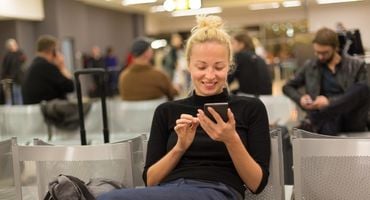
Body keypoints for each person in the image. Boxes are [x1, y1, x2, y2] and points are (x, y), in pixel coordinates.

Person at [98, 15, 270, 200]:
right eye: (201, 66)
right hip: (168, 190)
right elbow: (151, 180)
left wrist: (231, 139)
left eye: (218, 67)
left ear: (229, 66)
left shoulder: (250, 108)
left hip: (219, 191)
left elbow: (256, 184)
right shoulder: (166, 111)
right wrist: (180, 146)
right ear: (188, 65)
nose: (210, 75)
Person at [283, 27, 369, 135]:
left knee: (362, 88)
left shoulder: (356, 65)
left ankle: (316, 118)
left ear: (336, 48)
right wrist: (300, 98)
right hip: (327, 120)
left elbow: (359, 95)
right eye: (317, 52)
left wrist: (329, 102)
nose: (320, 56)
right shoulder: (310, 66)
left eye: (325, 53)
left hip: (350, 116)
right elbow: (287, 87)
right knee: (328, 120)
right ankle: (319, 117)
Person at [22, 35, 74, 105]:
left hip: (38, 110)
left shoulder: (34, 66)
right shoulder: (46, 66)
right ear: (53, 51)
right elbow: (70, 86)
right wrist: (62, 66)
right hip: (47, 112)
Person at [1, 38, 27, 104]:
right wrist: (3, 77)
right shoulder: (8, 56)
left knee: (20, 94)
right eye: (13, 45)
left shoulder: (20, 53)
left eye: (15, 44)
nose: (15, 46)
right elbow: (5, 67)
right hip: (11, 79)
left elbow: (23, 61)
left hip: (20, 78)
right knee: (14, 96)